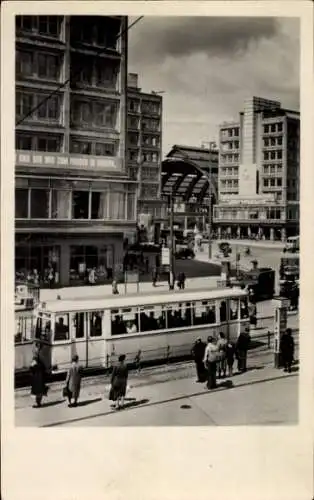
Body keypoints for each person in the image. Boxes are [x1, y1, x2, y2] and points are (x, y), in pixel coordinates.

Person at [30, 342, 48, 408]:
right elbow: (44, 366)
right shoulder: (41, 353)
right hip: (41, 375)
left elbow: (31, 367)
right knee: (40, 390)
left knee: (37, 390)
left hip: (37, 376)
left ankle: (38, 403)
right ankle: (39, 403)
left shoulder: (36, 355)